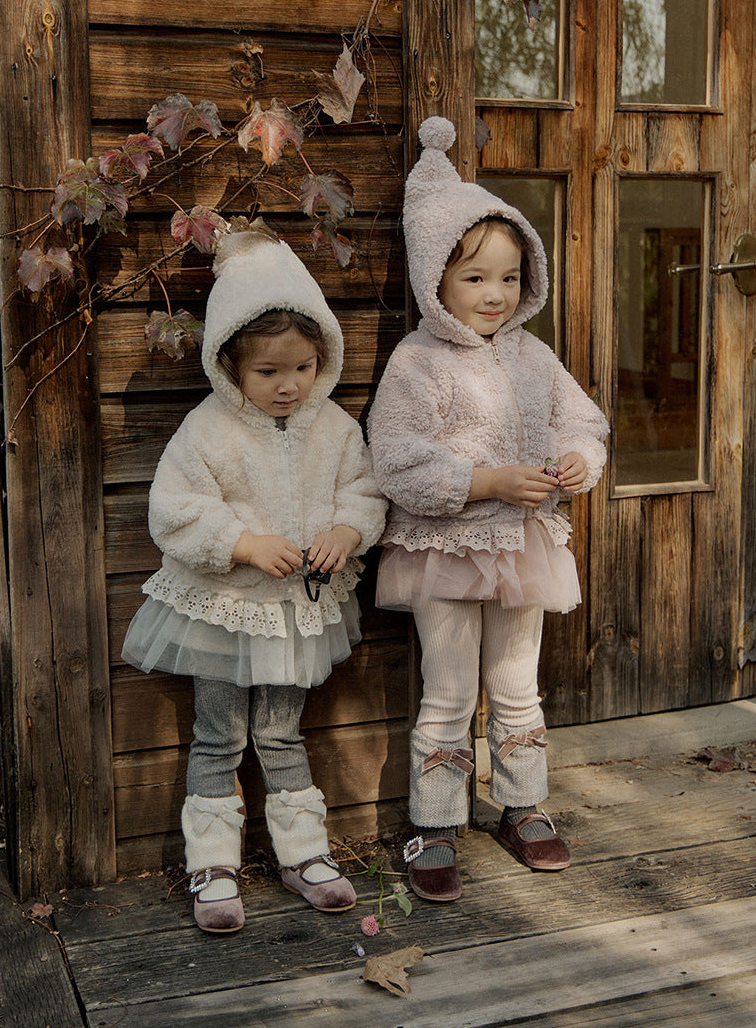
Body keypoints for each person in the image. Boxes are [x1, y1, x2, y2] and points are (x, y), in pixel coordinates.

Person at [367, 117, 609, 902]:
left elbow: (581, 420)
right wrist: (489, 481)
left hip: (523, 548)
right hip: (444, 548)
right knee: (447, 690)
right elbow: (395, 458)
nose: (495, 295)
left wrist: (580, 459)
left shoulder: (534, 356)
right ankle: (435, 821)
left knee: (516, 683)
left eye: (508, 277)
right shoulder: (418, 361)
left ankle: (522, 805)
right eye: (475, 278)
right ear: (434, 278)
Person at [122, 228, 387, 932]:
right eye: (268, 371)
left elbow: (363, 492)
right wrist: (242, 543)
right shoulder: (208, 430)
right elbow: (174, 510)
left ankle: (303, 853)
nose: (288, 384)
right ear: (230, 364)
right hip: (225, 611)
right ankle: (212, 863)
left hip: (294, 616)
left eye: (302, 367)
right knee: (218, 736)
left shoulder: (333, 427)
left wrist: (345, 532)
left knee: (280, 732)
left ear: (322, 360)